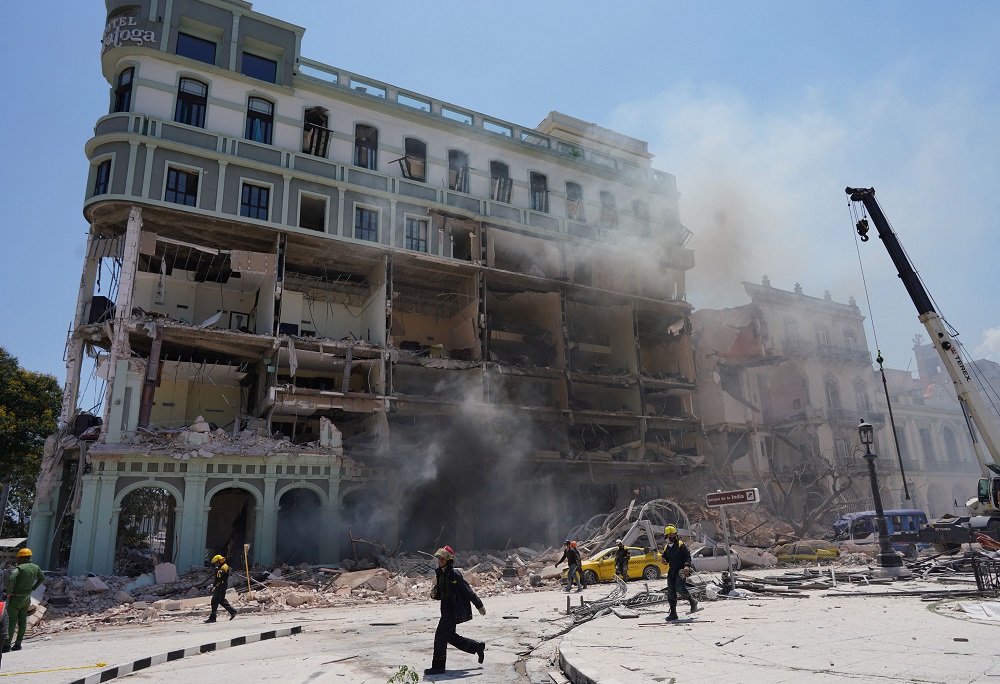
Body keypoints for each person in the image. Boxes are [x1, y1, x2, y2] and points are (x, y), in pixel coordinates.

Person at [426, 545, 486, 676]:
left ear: (449, 560)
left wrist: (479, 605)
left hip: (453, 610)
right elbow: (441, 594)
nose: (440, 560)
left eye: (443, 559)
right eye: (439, 558)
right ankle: (476, 647)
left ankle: (438, 666)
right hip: (445, 608)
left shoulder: (454, 574)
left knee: (440, 636)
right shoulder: (440, 574)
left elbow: (467, 590)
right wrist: (434, 593)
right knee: (450, 636)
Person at [2, 548, 45, 652]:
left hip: (16, 597)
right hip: (26, 597)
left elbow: (12, 578)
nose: (17, 560)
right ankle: (18, 644)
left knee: (12, 621)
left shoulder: (20, 568)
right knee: (22, 621)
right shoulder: (35, 567)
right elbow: (42, 578)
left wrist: (8, 593)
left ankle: (7, 645)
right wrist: (33, 588)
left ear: (21, 558)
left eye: (18, 558)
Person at [661, 525, 699, 621]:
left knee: (680, 588)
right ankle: (673, 614)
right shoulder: (666, 548)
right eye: (670, 535)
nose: (672, 536)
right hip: (671, 571)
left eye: (673, 534)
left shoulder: (681, 545)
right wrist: (664, 560)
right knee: (671, 592)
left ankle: (692, 601)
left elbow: (687, 556)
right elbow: (665, 557)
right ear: (667, 537)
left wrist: (687, 566)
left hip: (680, 570)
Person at [204, 554, 238, 623]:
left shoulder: (224, 567)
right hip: (220, 585)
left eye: (216, 562)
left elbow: (219, 576)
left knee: (214, 601)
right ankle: (233, 611)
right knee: (221, 600)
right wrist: (214, 586)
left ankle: (213, 618)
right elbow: (217, 579)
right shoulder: (221, 566)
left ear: (219, 561)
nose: (216, 564)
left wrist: (216, 570)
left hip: (222, 586)